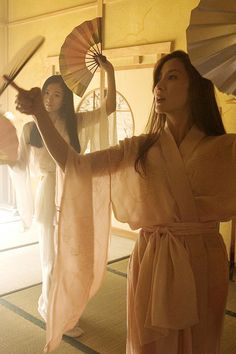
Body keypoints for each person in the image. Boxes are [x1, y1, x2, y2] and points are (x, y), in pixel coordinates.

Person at [10, 50, 231, 354]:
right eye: (158, 79)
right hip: (152, 257)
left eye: (172, 77)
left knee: (201, 342)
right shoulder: (141, 147)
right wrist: (39, 115)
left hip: (202, 259)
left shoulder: (226, 148)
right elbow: (76, 165)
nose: (159, 86)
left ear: (198, 85)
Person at [7, 55, 116, 337]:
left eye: (57, 95)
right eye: (46, 93)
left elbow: (109, 107)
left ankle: (65, 309)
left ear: (65, 100)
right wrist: (4, 156)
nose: (50, 99)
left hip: (73, 191)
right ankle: (52, 310)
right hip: (47, 193)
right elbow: (19, 165)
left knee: (73, 255)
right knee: (51, 258)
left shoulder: (75, 122)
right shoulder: (31, 127)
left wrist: (110, 72)